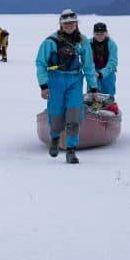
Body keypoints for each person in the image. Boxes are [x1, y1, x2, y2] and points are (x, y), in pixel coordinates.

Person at [35, 9, 98, 164]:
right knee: (56, 117)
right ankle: (55, 138)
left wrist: (93, 88)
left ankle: (71, 150)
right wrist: (43, 86)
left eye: (72, 23)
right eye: (66, 23)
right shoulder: (50, 42)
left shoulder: (82, 41)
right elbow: (41, 63)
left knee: (74, 116)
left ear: (76, 24)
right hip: (55, 81)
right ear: (61, 24)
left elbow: (88, 65)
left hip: (75, 81)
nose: (69, 26)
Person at [91, 22, 118, 98]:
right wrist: (92, 72)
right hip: (93, 74)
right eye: (97, 34)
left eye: (102, 33)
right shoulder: (89, 43)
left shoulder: (112, 44)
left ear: (106, 33)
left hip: (108, 74)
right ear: (94, 33)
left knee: (108, 97)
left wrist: (101, 74)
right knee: (92, 96)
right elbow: (86, 61)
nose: (99, 36)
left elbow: (113, 62)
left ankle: (110, 109)